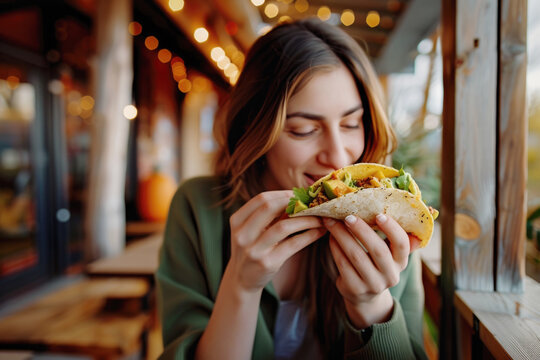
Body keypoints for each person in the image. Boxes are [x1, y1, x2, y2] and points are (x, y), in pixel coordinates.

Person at [156, 17, 427, 360]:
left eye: (351, 123)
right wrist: (240, 286)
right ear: (256, 128)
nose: (338, 155)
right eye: (302, 129)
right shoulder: (197, 208)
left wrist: (372, 305)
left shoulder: (391, 225)